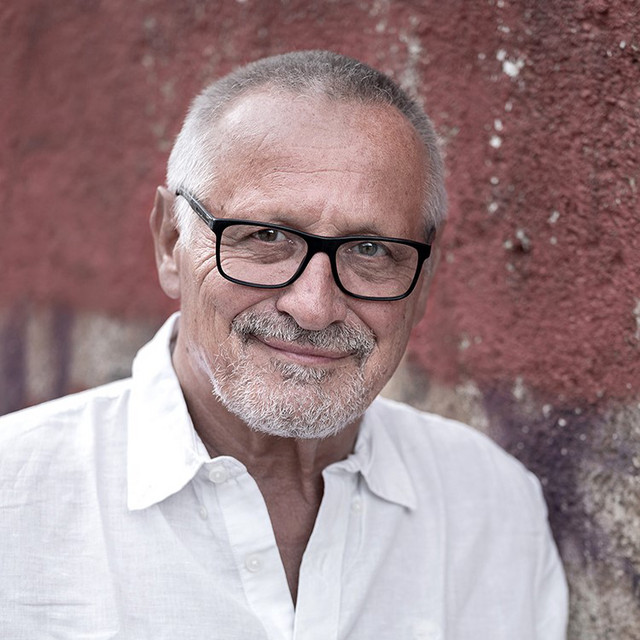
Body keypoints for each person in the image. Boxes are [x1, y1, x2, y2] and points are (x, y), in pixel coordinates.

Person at [0, 50, 567, 639]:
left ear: (424, 279)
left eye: (370, 250)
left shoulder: (492, 511)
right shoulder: (15, 501)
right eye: (267, 237)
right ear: (171, 242)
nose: (314, 306)